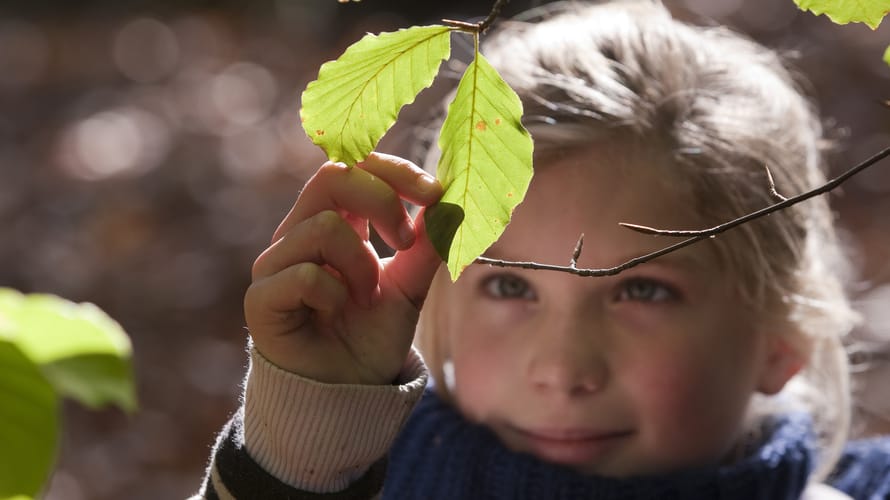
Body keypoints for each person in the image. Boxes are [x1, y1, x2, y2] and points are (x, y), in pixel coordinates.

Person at [195, 1, 890, 498]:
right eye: (510, 287)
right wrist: (298, 454)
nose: (562, 370)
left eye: (641, 291)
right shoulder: (350, 484)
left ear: (782, 337)